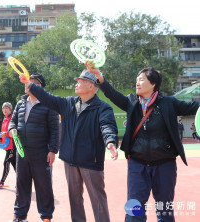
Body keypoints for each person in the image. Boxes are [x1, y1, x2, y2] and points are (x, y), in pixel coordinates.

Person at [85, 61, 200, 222]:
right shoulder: (131, 102)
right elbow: (111, 93)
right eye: (137, 79)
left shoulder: (169, 103)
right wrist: (99, 76)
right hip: (137, 164)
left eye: (141, 79)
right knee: (135, 207)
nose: (137, 82)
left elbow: (195, 107)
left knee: (164, 207)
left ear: (153, 84)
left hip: (164, 164)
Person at [19, 70, 119, 222]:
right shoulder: (68, 103)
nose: (76, 83)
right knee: (75, 200)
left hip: (90, 161)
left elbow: (107, 126)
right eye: (77, 80)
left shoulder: (103, 108)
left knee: (98, 200)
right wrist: (28, 84)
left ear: (92, 86)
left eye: (80, 81)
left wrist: (110, 141)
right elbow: (47, 98)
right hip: (70, 160)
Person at [8, 74, 59, 222]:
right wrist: (12, 130)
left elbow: (55, 129)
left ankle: (46, 216)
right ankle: (20, 215)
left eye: (32, 83)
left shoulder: (49, 104)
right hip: (22, 151)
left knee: (43, 186)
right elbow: (13, 121)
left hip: (41, 152)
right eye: (26, 82)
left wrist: (53, 150)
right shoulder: (20, 103)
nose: (27, 84)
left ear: (40, 87)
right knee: (21, 183)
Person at [0, 102, 16, 189]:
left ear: (10, 109)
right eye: (3, 108)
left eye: (7, 108)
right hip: (7, 146)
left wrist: (4, 134)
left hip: (12, 146)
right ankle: (21, 182)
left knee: (6, 162)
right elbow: (3, 133)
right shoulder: (5, 119)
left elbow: (13, 132)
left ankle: (1, 182)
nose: (5, 110)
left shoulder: (12, 118)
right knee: (15, 165)